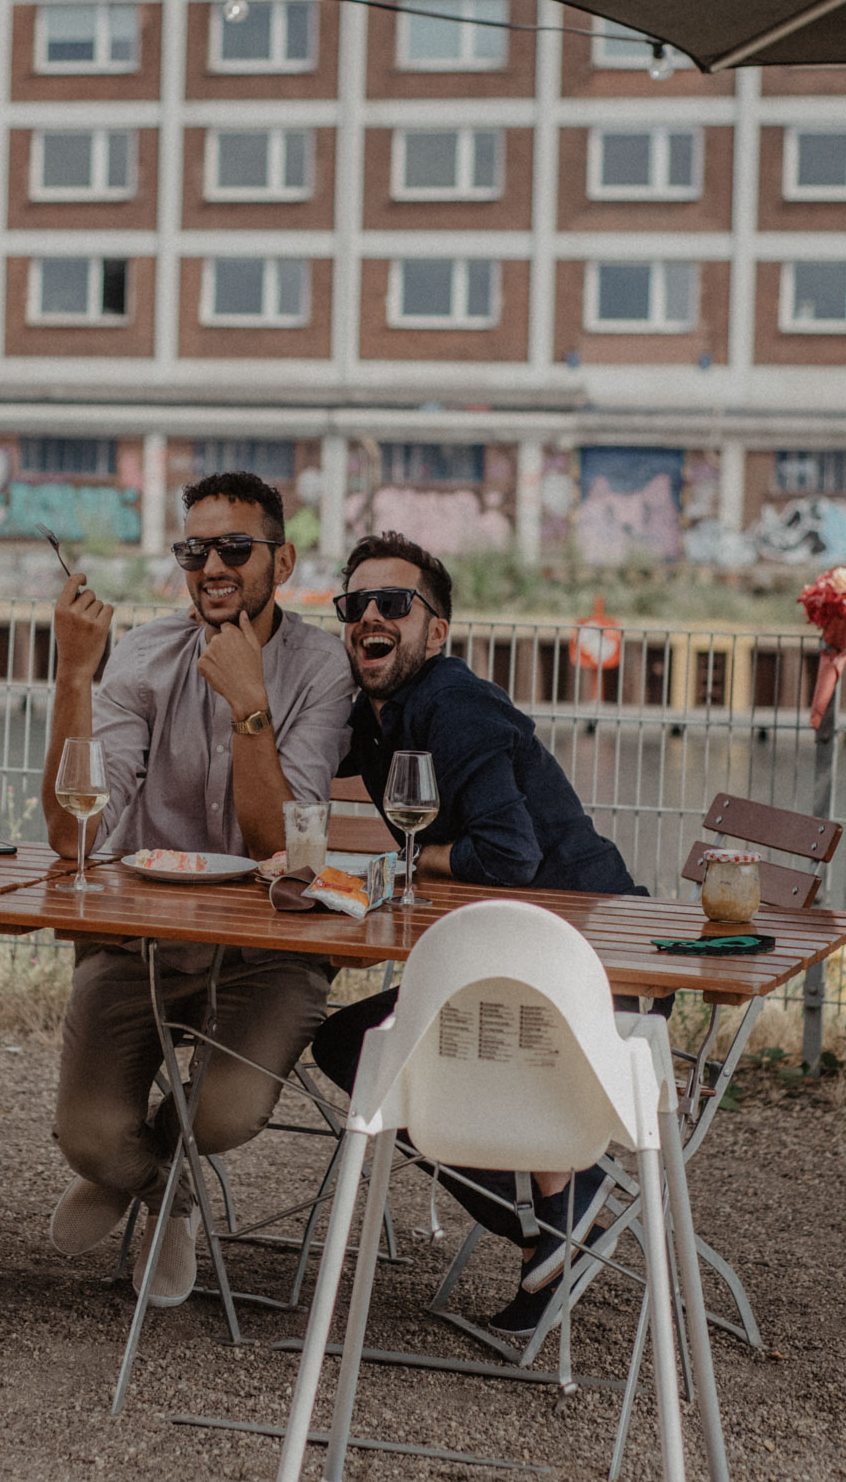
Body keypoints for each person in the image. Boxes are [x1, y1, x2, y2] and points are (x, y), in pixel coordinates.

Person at [311, 530, 664, 1339]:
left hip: (593, 974)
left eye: (393, 603)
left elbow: (508, 855)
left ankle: (565, 1208)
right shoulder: (377, 716)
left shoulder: (453, 704)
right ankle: (559, 1219)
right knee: (355, 1044)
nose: (370, 614)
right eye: (355, 603)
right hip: (516, 962)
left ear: (435, 630)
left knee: (364, 1049)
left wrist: (409, 861)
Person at [42, 471, 353, 1307]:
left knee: (223, 1115)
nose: (211, 565)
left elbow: (279, 850)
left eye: (234, 548)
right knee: (91, 1137)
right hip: (142, 939)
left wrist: (250, 705)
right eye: (194, 548)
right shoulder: (143, 654)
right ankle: (166, 1194)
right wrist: (76, 674)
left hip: (270, 948)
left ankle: (174, 1161)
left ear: (280, 560)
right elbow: (74, 836)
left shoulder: (323, 668)